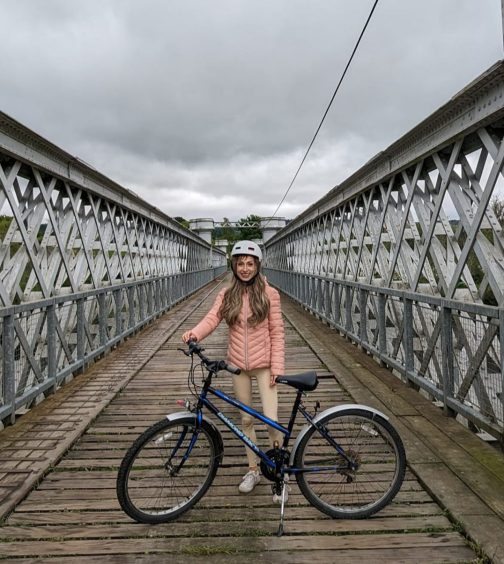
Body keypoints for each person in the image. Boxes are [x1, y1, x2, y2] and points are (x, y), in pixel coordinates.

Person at [182, 240, 285, 501]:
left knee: (272, 421)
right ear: (234, 265)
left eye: (250, 264)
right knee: (246, 420)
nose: (245, 268)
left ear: (257, 266)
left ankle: (279, 475)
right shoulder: (227, 294)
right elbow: (212, 319)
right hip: (237, 366)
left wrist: (278, 367)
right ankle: (253, 470)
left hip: (265, 367)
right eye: (240, 263)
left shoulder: (270, 294)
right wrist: (195, 333)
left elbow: (277, 332)